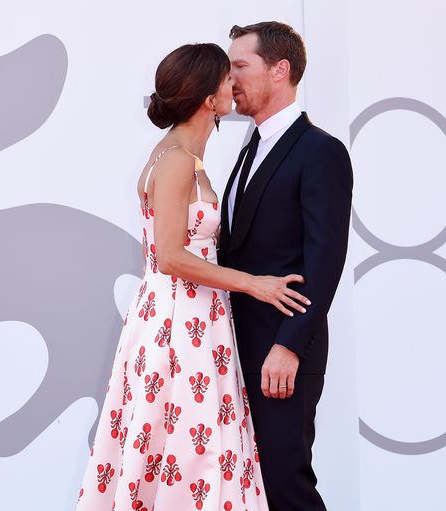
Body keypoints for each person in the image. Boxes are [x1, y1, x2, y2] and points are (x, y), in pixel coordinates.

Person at [75, 42, 312, 511]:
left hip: (198, 317)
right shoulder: (178, 157)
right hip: (178, 321)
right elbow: (169, 255)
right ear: (209, 98)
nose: (235, 85)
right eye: (228, 78)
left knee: (194, 443)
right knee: (184, 444)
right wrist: (254, 283)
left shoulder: (191, 156)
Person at [219, 22, 353, 511]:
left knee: (283, 480)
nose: (229, 77)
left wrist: (288, 346)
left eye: (239, 66)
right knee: (246, 482)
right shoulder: (249, 148)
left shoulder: (321, 152)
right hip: (233, 343)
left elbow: (325, 259)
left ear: (280, 70)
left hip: (281, 346)